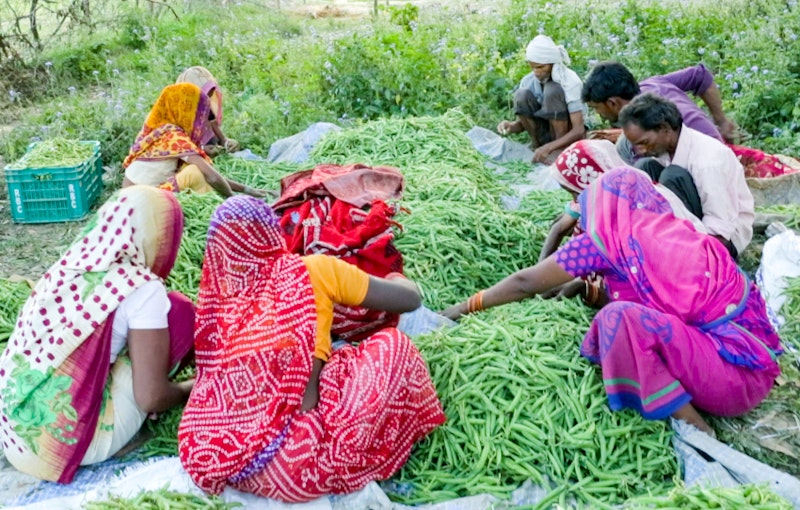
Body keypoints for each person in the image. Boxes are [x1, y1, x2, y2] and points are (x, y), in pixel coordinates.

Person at [442, 167, 782, 436]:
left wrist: (461, 308)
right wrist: (584, 288)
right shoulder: (671, 231)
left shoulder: (603, 241)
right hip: (749, 366)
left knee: (617, 321)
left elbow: (525, 283)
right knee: (624, 314)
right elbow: (658, 300)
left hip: (726, 383)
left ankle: (698, 430)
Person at [178, 196, 445, 502]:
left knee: (336, 357)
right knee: (391, 345)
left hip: (216, 456)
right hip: (298, 461)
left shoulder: (216, 305)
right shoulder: (311, 270)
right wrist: (397, 276)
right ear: (271, 233)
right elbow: (409, 300)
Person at [0, 186, 196, 483]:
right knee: (180, 313)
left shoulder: (73, 263)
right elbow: (151, 398)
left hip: (14, 431)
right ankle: (114, 436)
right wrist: (191, 386)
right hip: (63, 447)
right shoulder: (143, 289)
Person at [581, 61, 800, 178]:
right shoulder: (652, 84)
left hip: (708, 162)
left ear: (612, 103)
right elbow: (700, 74)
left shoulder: (645, 118)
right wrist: (720, 120)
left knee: (632, 158)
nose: (598, 115)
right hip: (714, 147)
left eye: (596, 108)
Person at [619, 93, 754, 259]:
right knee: (643, 168)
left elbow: (720, 228)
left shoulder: (708, 161)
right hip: (694, 225)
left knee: (672, 176)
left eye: (644, 143)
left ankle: (677, 249)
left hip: (723, 240)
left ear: (665, 129)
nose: (641, 150)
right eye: (636, 145)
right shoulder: (665, 150)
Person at [539, 138, 706, 263]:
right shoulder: (610, 190)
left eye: (575, 192)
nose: (576, 200)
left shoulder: (634, 206)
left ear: (593, 180)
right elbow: (560, 226)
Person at [122, 83, 265, 198]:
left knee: (196, 172)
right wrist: (234, 198)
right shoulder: (174, 137)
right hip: (140, 201)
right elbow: (212, 177)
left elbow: (211, 175)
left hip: (132, 195)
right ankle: (220, 209)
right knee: (195, 173)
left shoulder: (161, 129)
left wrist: (249, 190)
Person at [497, 35, 587, 164]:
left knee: (552, 90)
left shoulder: (570, 82)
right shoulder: (529, 81)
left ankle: (560, 151)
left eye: (541, 67)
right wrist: (511, 126)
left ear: (552, 63)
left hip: (567, 137)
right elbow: (524, 123)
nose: (536, 72)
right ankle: (537, 145)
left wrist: (551, 147)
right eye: (533, 67)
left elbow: (578, 130)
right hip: (545, 135)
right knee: (521, 95)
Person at [176, 66, 239, 157]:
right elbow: (180, 148)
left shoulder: (208, 111)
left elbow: (220, 137)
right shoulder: (181, 117)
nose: (208, 101)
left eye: (210, 96)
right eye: (205, 97)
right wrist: (202, 149)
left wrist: (227, 142)